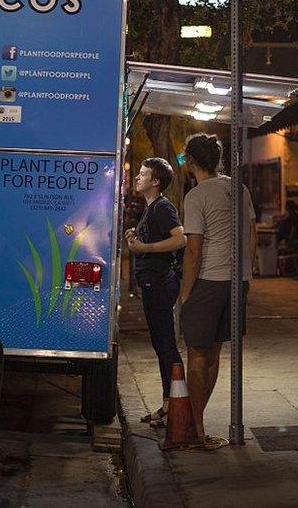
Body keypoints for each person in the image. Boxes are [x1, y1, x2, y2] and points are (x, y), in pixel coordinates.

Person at [178, 133, 256, 449]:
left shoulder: (196, 196)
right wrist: (245, 273)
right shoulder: (239, 188)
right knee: (215, 352)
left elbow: (193, 250)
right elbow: (250, 233)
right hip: (237, 281)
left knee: (197, 352)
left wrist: (185, 294)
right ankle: (198, 424)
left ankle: (195, 429)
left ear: (192, 162)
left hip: (207, 282)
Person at [124, 157, 186, 427]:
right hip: (152, 283)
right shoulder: (151, 209)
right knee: (161, 344)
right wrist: (135, 240)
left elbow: (179, 238)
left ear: (156, 182)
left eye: (142, 174)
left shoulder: (162, 207)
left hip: (161, 282)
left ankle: (176, 404)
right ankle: (168, 402)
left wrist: (145, 248)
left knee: (166, 344)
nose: (137, 177)